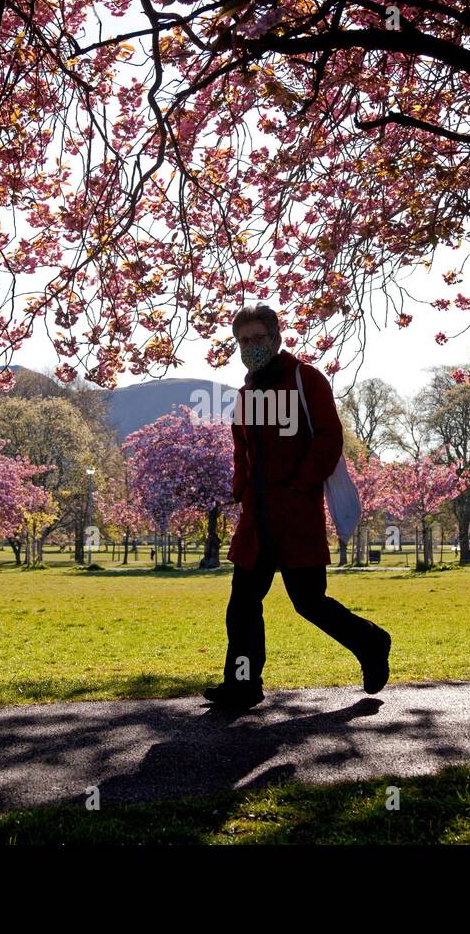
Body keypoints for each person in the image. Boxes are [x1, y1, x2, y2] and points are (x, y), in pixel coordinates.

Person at [203, 304, 391, 712]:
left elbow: (328, 438)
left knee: (309, 601)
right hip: (257, 519)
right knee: (242, 604)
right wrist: (241, 488)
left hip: (296, 516)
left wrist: (302, 484)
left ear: (276, 338)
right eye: (243, 341)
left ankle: (371, 641)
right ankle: (242, 685)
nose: (250, 347)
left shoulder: (306, 380)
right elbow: (241, 448)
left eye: (257, 338)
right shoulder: (247, 394)